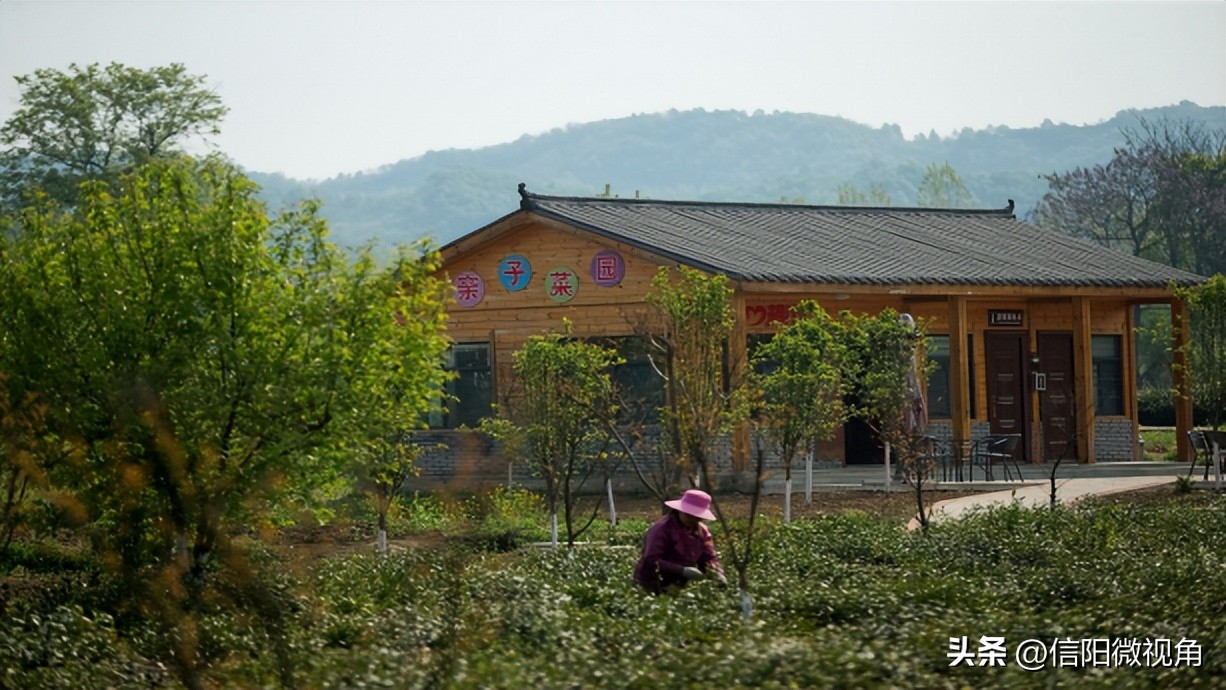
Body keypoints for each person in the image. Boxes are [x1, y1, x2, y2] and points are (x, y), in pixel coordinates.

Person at [633, 489, 728, 594]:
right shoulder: (661, 529)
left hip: (678, 585)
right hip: (651, 583)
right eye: (689, 515)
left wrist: (717, 573)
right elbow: (651, 560)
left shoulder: (702, 532)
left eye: (697, 517)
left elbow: (709, 558)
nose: (692, 519)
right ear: (680, 511)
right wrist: (681, 570)